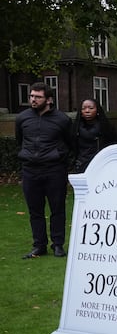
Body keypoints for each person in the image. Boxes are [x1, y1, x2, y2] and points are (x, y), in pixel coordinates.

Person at [15, 82, 72, 259]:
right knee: (35, 211)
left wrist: (58, 156)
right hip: (30, 171)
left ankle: (58, 245)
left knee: (57, 209)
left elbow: (70, 144)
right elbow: (20, 140)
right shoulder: (22, 118)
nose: (33, 99)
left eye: (37, 97)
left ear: (49, 99)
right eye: (31, 96)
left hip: (54, 171)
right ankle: (39, 245)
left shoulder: (62, 119)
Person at [71, 98, 117, 172]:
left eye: (91, 108)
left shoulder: (106, 127)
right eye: (84, 108)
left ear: (97, 110)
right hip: (81, 165)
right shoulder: (75, 128)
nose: (87, 111)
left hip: (101, 165)